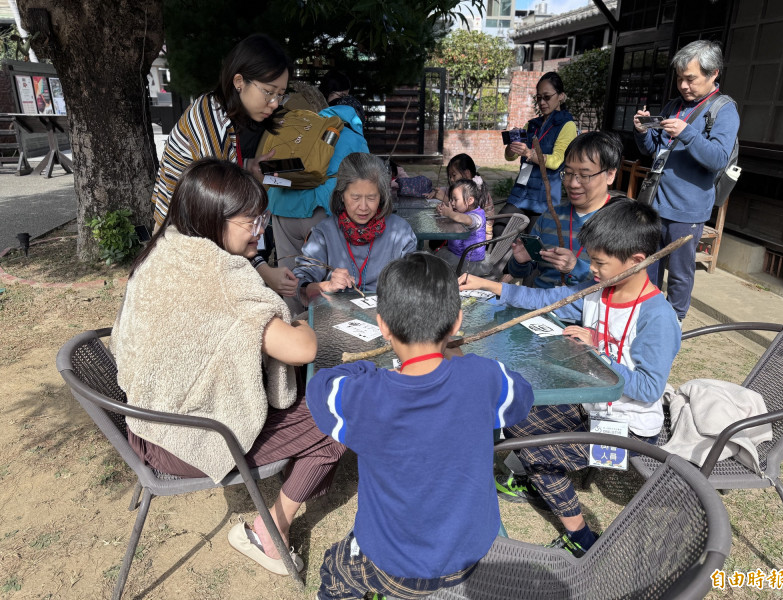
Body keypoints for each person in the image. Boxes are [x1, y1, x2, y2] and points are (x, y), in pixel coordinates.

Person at [112, 159, 346, 576]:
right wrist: (316, 311)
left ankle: (289, 484)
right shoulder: (221, 275)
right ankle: (268, 530)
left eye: (262, 217)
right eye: (251, 221)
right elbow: (301, 348)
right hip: (186, 438)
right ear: (212, 218)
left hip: (145, 419)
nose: (261, 229)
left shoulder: (170, 245)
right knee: (346, 407)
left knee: (320, 409)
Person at [306, 252, 535, 600]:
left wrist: (370, 371)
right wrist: (459, 357)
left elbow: (320, 387)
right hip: (471, 555)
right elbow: (523, 395)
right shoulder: (483, 377)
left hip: (393, 565)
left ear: (382, 325)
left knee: (334, 569)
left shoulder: (365, 395)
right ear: (457, 322)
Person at [459, 198, 681, 557]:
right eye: (591, 259)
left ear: (637, 261)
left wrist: (597, 352)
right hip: (589, 406)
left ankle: (579, 535)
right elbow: (547, 299)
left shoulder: (656, 315)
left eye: (599, 262)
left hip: (629, 426)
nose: (590, 269)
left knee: (536, 446)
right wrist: (492, 285)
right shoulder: (598, 292)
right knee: (516, 408)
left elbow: (649, 387)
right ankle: (543, 482)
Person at [150, 33, 298, 298]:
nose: (275, 104)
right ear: (239, 81)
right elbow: (221, 216)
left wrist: (250, 168)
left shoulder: (223, 118)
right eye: (269, 92)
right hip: (182, 245)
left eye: (280, 95)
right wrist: (263, 270)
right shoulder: (210, 120)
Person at [633, 40, 739, 324]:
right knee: (648, 265)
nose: (683, 85)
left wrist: (688, 133)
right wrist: (643, 130)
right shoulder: (673, 105)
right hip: (655, 202)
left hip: (688, 209)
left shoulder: (724, 109)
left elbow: (717, 158)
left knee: (680, 273)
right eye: (679, 78)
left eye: (690, 78)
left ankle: (674, 322)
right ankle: (647, 316)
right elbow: (652, 149)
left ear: (713, 73)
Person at [268, 102, 369, 286]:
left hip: (281, 206)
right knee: (328, 280)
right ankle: (323, 316)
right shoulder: (355, 138)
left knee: (289, 278)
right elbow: (367, 181)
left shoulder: (308, 128)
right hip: (321, 210)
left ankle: (293, 315)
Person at [293, 153, 417, 304]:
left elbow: (413, 283)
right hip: (334, 317)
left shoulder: (400, 232)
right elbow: (300, 285)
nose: (363, 207)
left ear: (382, 196)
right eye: (355, 197)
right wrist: (326, 285)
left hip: (387, 316)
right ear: (341, 195)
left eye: (371, 198)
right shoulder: (324, 233)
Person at [507, 131, 623, 288]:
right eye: (568, 173)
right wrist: (520, 262)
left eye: (584, 175)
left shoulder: (622, 222)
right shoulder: (549, 216)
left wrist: (577, 267)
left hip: (589, 308)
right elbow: (521, 272)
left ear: (610, 175)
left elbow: (624, 282)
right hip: (541, 304)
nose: (573, 184)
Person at [501, 72, 577, 227]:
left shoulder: (567, 125)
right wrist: (512, 148)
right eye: (539, 98)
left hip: (544, 198)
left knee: (533, 244)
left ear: (561, 96)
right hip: (521, 192)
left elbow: (557, 161)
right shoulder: (532, 124)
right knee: (499, 230)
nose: (542, 102)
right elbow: (510, 157)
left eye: (547, 97)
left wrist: (529, 153)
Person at [426, 153, 495, 240]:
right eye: (450, 176)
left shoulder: (476, 191)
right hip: (462, 231)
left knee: (436, 240)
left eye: (454, 175)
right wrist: (437, 197)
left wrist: (447, 201)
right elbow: (445, 190)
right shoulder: (461, 189)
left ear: (467, 174)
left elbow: (468, 216)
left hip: (477, 238)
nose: (451, 179)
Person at [434, 179, 488, 275]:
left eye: (456, 199)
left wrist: (450, 213)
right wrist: (443, 211)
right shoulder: (461, 211)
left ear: (470, 200)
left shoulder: (477, 216)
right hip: (457, 255)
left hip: (469, 262)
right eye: (451, 199)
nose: (453, 203)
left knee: (437, 265)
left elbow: (467, 220)